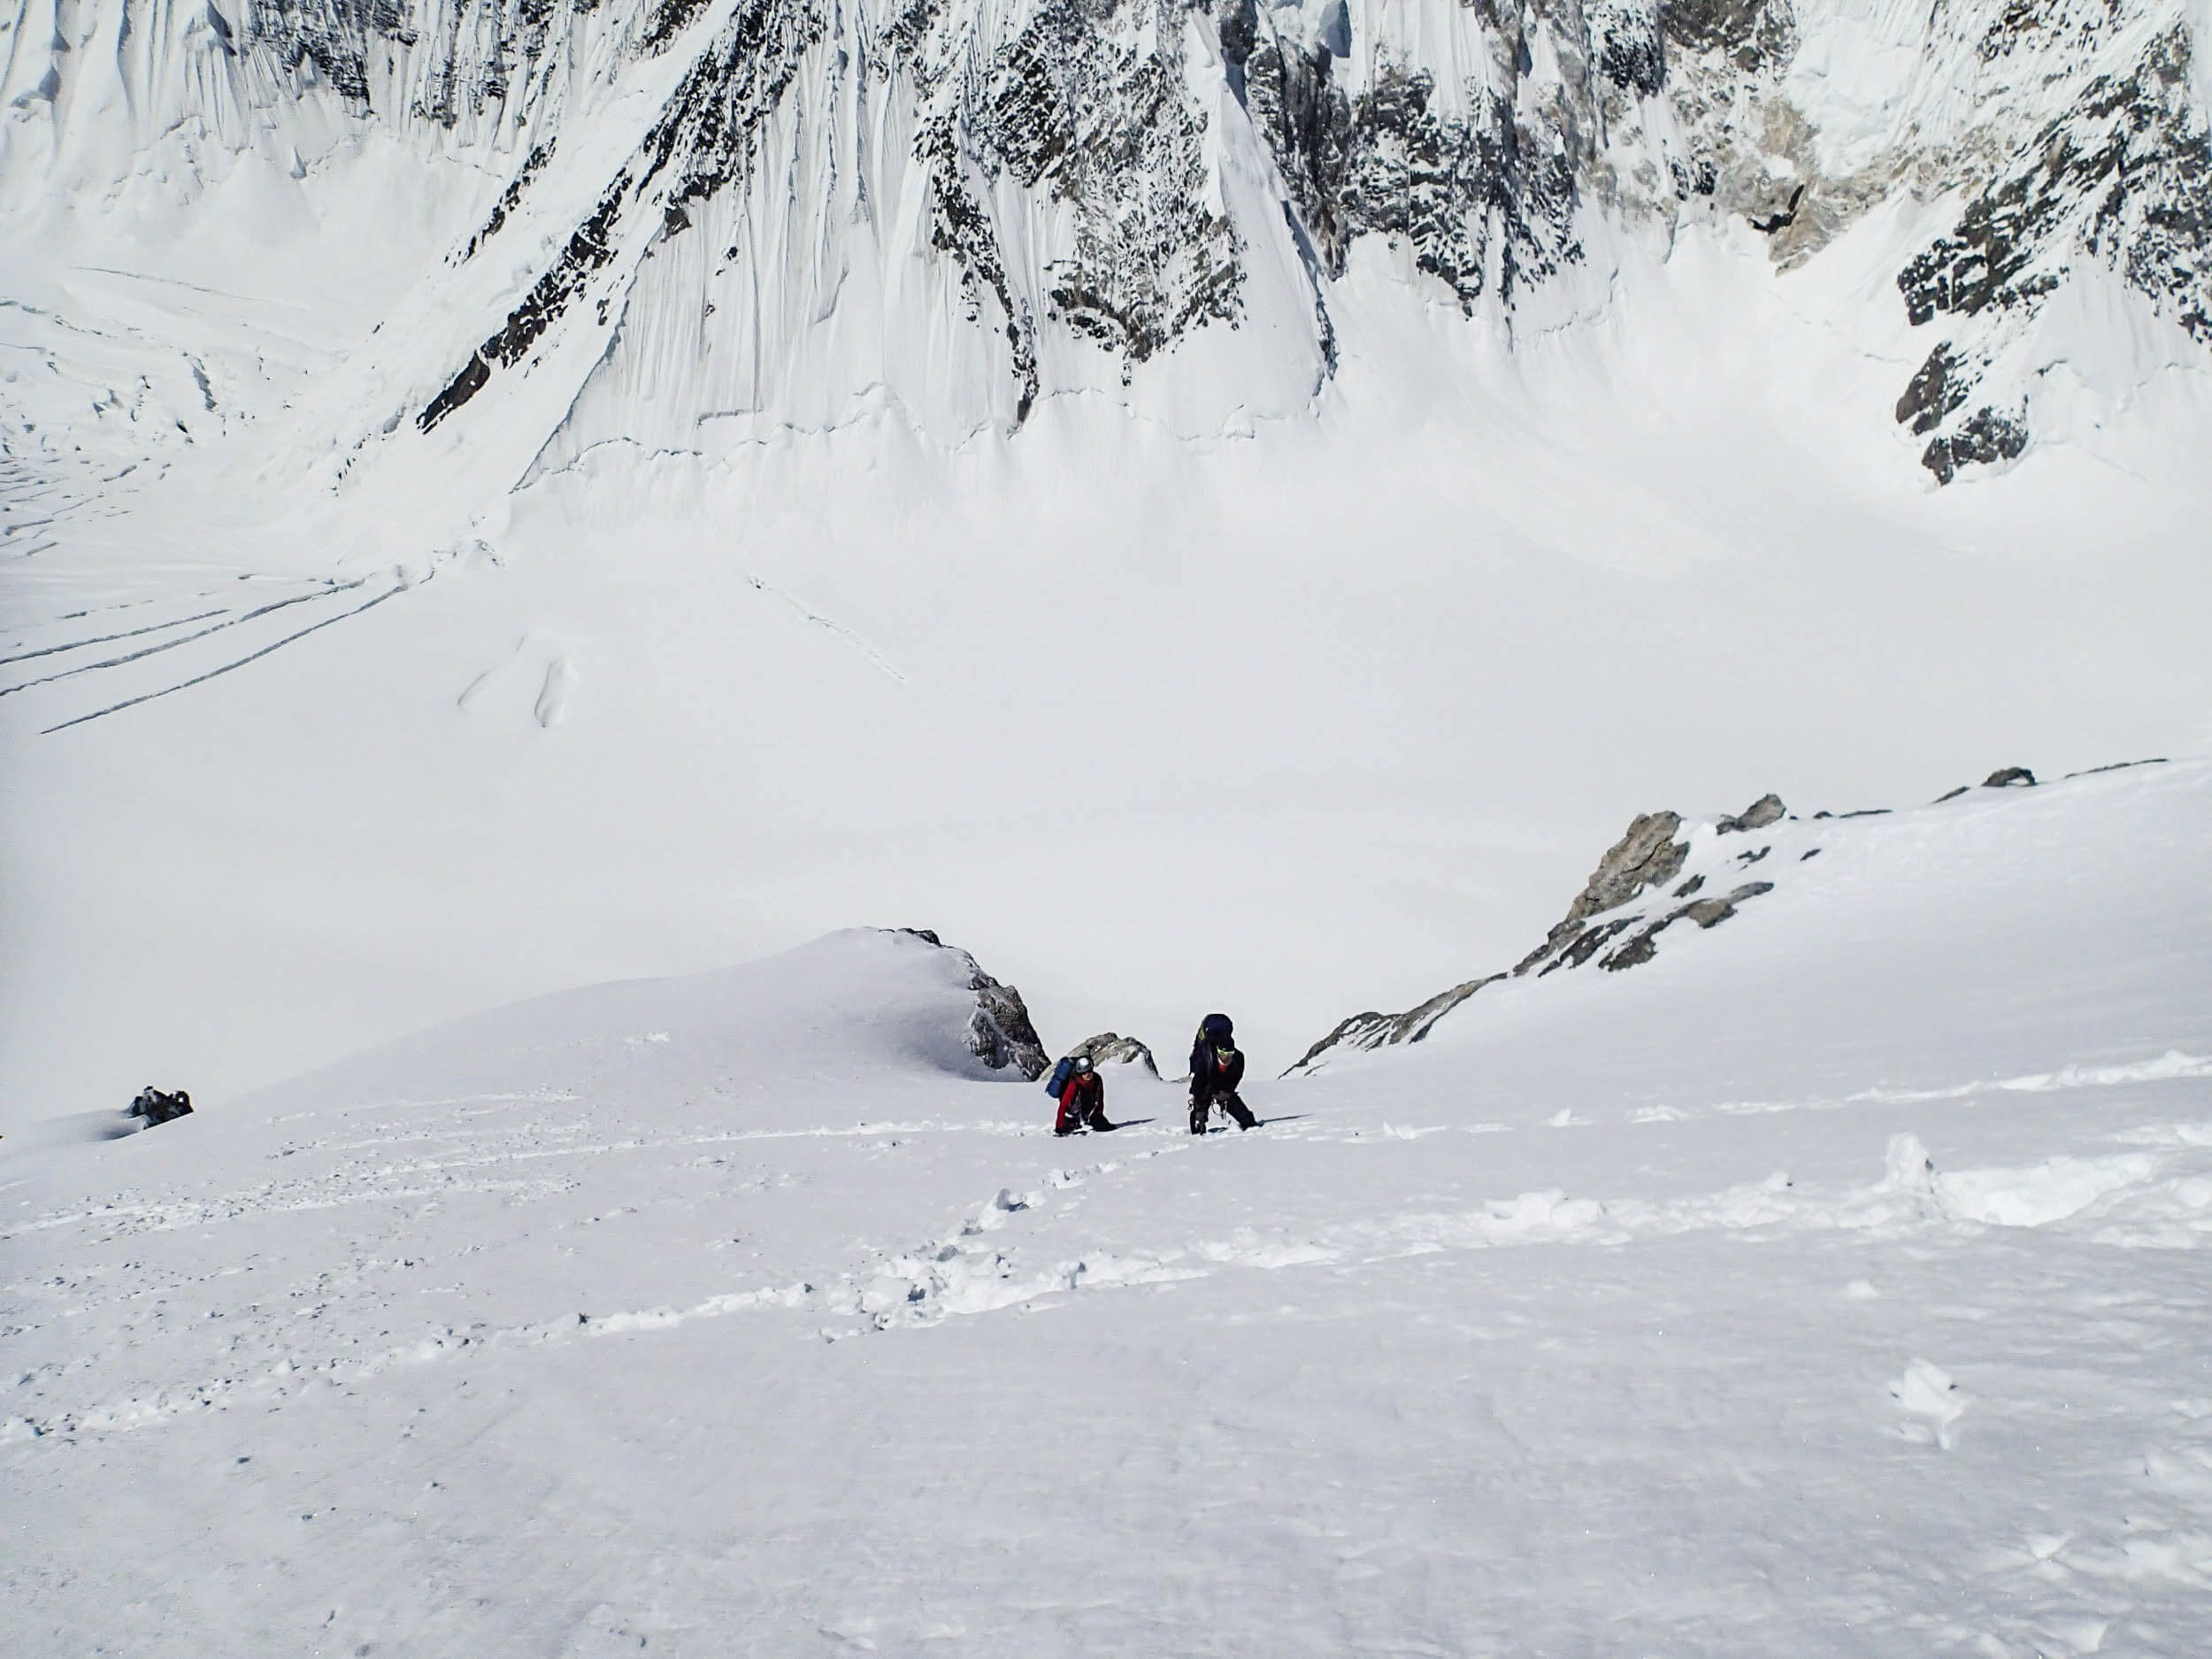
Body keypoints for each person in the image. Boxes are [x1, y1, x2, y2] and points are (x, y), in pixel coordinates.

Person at [1187, 1013, 1257, 1134]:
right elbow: (1198, 1083)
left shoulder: (1238, 1060)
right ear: (1217, 1051)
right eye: (1222, 1054)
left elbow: (1235, 1079)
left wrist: (1227, 1092)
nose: (1225, 1058)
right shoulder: (1205, 1058)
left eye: (1228, 1055)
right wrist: (1199, 1110)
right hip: (1206, 1084)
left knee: (1249, 1122)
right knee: (1198, 1123)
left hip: (1223, 1089)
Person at [1055, 1054, 1116, 1136]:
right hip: (1072, 1111)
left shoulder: (1097, 1079)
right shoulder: (1075, 1082)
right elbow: (1064, 1104)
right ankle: (1072, 1122)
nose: (1087, 1074)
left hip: (1089, 1108)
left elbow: (1100, 1099)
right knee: (1065, 1129)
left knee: (1105, 1127)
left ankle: (1089, 1120)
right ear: (1080, 1073)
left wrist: (1099, 1116)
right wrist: (1059, 1125)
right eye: (1084, 1073)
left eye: (1089, 1071)